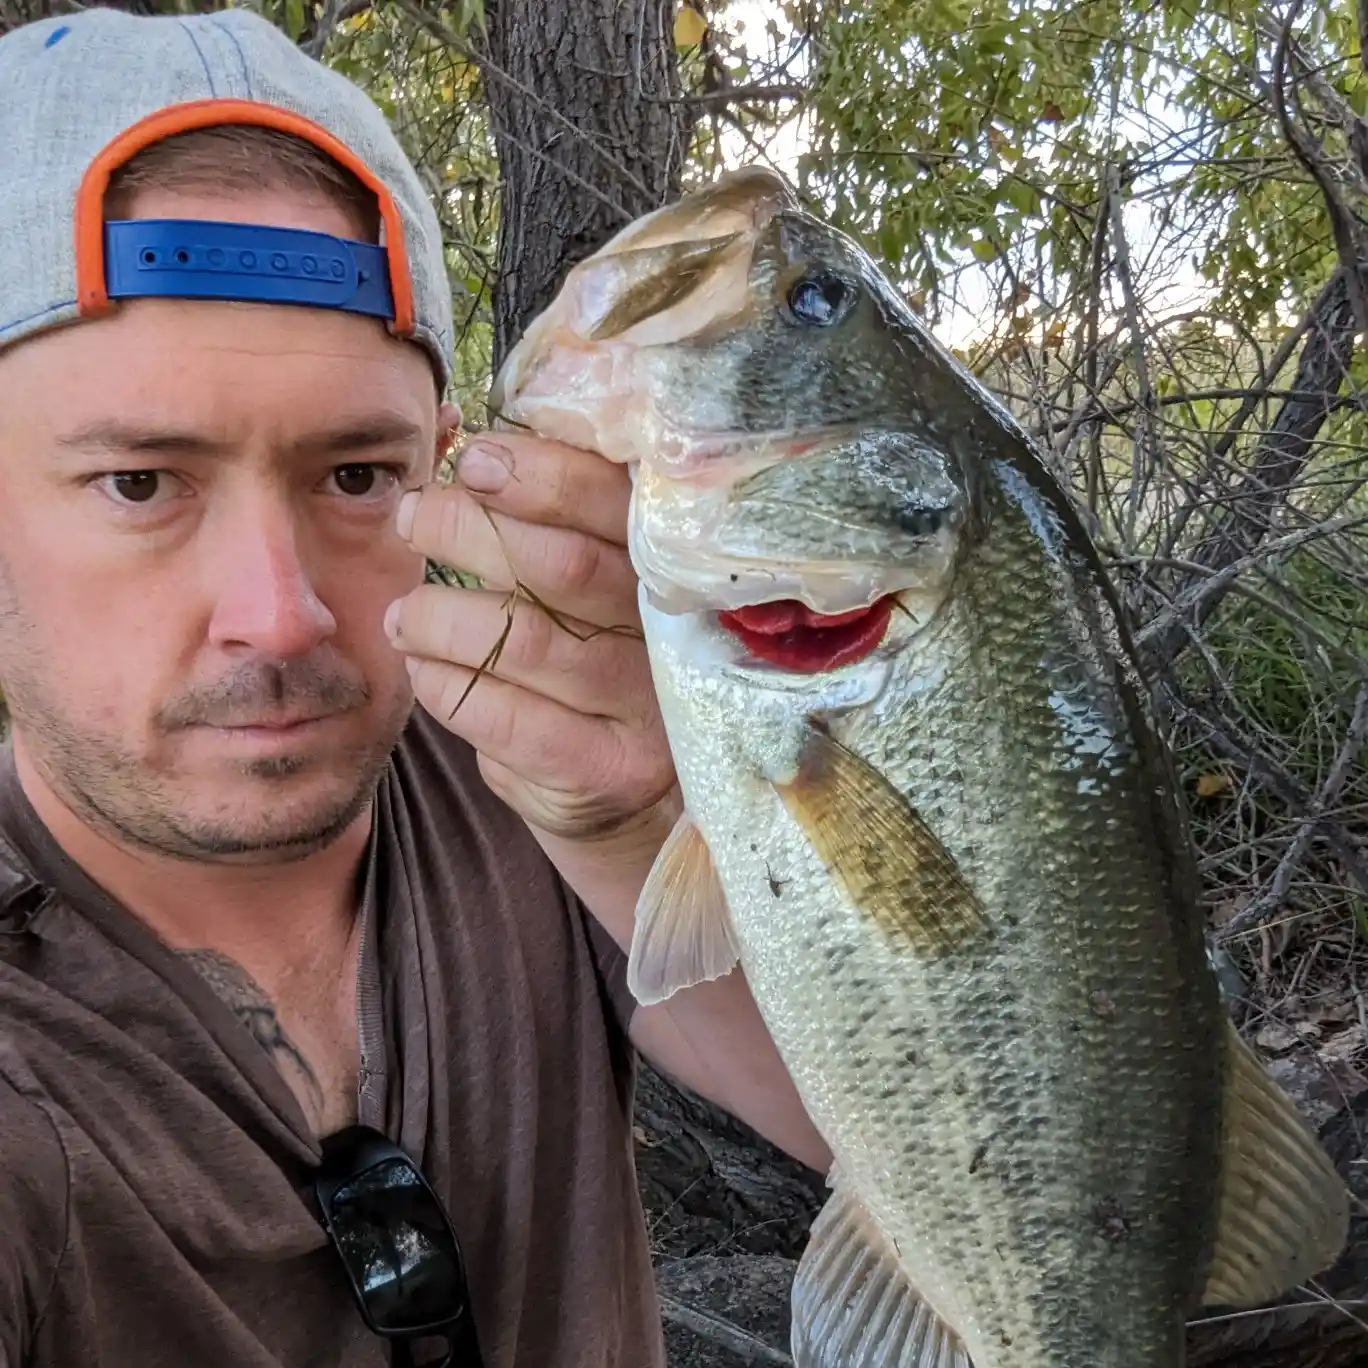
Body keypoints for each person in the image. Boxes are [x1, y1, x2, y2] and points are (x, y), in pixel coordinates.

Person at [0, 8, 830, 1368]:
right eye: (139, 483)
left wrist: (640, 833)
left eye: (356, 477)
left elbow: (978, 1151)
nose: (280, 617)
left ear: (450, 469)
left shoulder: (531, 771)